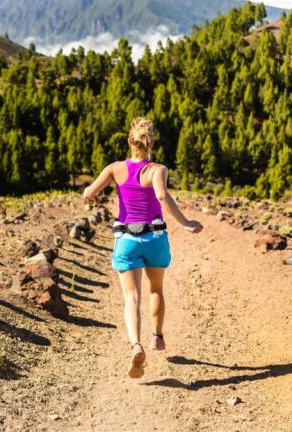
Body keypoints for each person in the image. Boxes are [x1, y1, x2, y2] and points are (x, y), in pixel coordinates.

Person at [82, 117, 203, 379]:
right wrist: (185, 223)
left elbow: (90, 193)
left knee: (131, 298)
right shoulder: (158, 170)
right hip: (155, 238)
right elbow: (161, 196)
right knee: (156, 289)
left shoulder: (115, 168)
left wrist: (88, 193)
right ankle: (157, 337)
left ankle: (135, 344)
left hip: (126, 238)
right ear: (151, 143)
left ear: (130, 142)